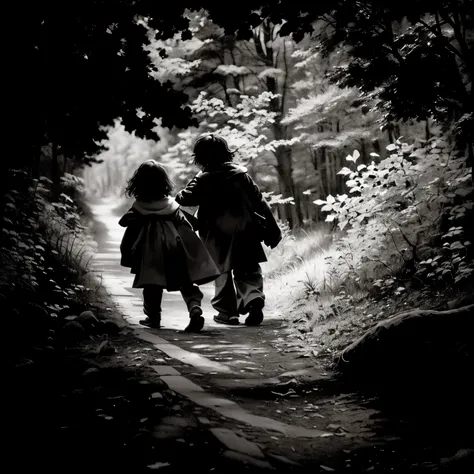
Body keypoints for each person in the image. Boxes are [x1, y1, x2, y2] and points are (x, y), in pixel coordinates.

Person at [175, 134, 282, 326]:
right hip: (246, 230)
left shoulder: (203, 179)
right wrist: (273, 230)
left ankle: (227, 312)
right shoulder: (242, 175)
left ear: (199, 158)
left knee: (221, 271)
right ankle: (253, 298)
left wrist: (181, 192)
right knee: (248, 268)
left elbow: (184, 199)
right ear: (226, 153)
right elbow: (259, 202)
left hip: (216, 233)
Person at [118, 160, 220, 332]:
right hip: (175, 249)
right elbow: (187, 226)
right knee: (185, 281)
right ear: (164, 183)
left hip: (150, 255)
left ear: (139, 184)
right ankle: (194, 307)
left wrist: (128, 253)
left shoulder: (138, 208)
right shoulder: (172, 206)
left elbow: (126, 227)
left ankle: (153, 317)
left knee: (151, 286)